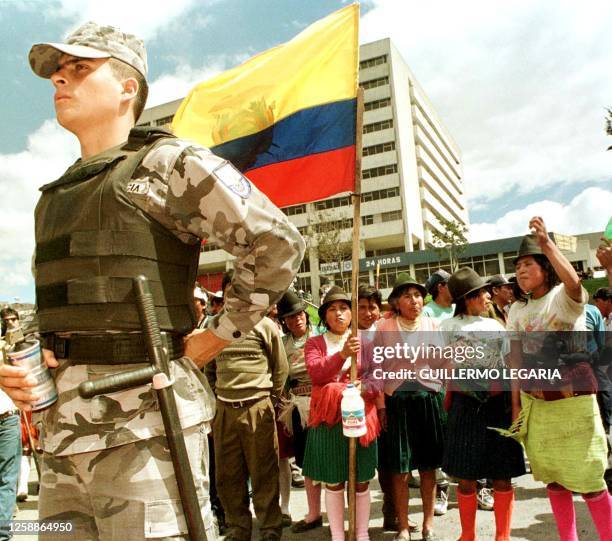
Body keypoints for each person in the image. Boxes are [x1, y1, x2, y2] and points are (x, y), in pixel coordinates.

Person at [0, 22, 304, 541]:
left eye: (78, 69)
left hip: (146, 429)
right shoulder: (55, 194)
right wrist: (28, 368)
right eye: (56, 73)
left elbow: (276, 242)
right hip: (61, 437)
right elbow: (65, 303)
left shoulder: (168, 164)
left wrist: (219, 333)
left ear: (127, 88)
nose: (59, 81)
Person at [507, 216, 612, 541]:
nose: (521, 271)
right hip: (537, 406)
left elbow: (574, 283)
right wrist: (516, 408)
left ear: (546, 265)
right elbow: (515, 361)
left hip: (574, 406)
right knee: (553, 478)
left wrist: (548, 244)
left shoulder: (562, 297)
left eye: (528, 263)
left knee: (591, 479)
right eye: (518, 266)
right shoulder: (515, 311)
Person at [440, 268, 525, 541]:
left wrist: (515, 406)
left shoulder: (497, 327)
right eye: (481, 293)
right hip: (464, 407)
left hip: (498, 406)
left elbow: (512, 367)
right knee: (466, 477)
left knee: (502, 475)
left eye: (487, 292)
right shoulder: (447, 329)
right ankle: (468, 534)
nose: (488, 296)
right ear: (467, 298)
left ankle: (503, 535)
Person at [302, 286, 380, 541]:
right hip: (328, 420)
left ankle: (362, 533)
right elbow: (316, 373)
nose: (339, 314)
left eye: (344, 308)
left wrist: (364, 386)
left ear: (352, 314)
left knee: (361, 480)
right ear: (324, 316)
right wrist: (342, 354)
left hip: (360, 417)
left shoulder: (365, 342)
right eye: (332, 309)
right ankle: (337, 535)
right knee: (334, 480)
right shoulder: (314, 343)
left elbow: (378, 378)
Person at [374, 274, 446, 541]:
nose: (414, 300)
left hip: (428, 399)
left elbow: (443, 365)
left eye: (417, 295)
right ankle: (403, 526)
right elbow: (377, 369)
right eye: (407, 295)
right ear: (396, 301)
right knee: (400, 468)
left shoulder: (433, 324)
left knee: (428, 466)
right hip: (396, 402)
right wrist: (381, 407)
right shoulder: (384, 327)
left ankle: (428, 524)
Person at [206, 313, 288, 541]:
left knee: (264, 472)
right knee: (227, 474)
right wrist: (216, 402)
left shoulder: (265, 325)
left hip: (257, 406)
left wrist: (268, 401)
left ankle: (270, 528)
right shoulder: (215, 325)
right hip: (224, 409)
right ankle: (238, 529)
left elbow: (280, 367)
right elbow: (209, 370)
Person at [276, 290, 323, 533]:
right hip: (297, 406)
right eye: (290, 317)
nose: (296, 320)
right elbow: (281, 375)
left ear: (305, 314)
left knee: (329, 457)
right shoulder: (283, 344)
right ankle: (313, 512)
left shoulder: (321, 336)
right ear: (284, 321)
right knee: (307, 462)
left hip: (324, 401)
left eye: (299, 314)